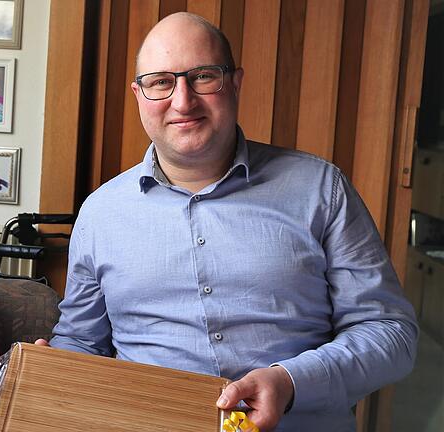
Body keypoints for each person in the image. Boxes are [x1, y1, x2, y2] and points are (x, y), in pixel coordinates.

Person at [42, 12, 417, 432]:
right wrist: (53, 367)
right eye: (161, 82)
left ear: (235, 83)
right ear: (139, 94)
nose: (183, 102)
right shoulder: (100, 213)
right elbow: (81, 343)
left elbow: (390, 334)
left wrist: (291, 381)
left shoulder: (322, 189)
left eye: (203, 77)